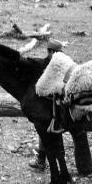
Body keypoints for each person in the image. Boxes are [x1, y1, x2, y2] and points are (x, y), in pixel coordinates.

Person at [29, 38, 64, 170]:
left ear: (49, 51)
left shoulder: (46, 64)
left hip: (51, 108)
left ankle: (41, 161)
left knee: (44, 131)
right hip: (59, 106)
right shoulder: (64, 63)